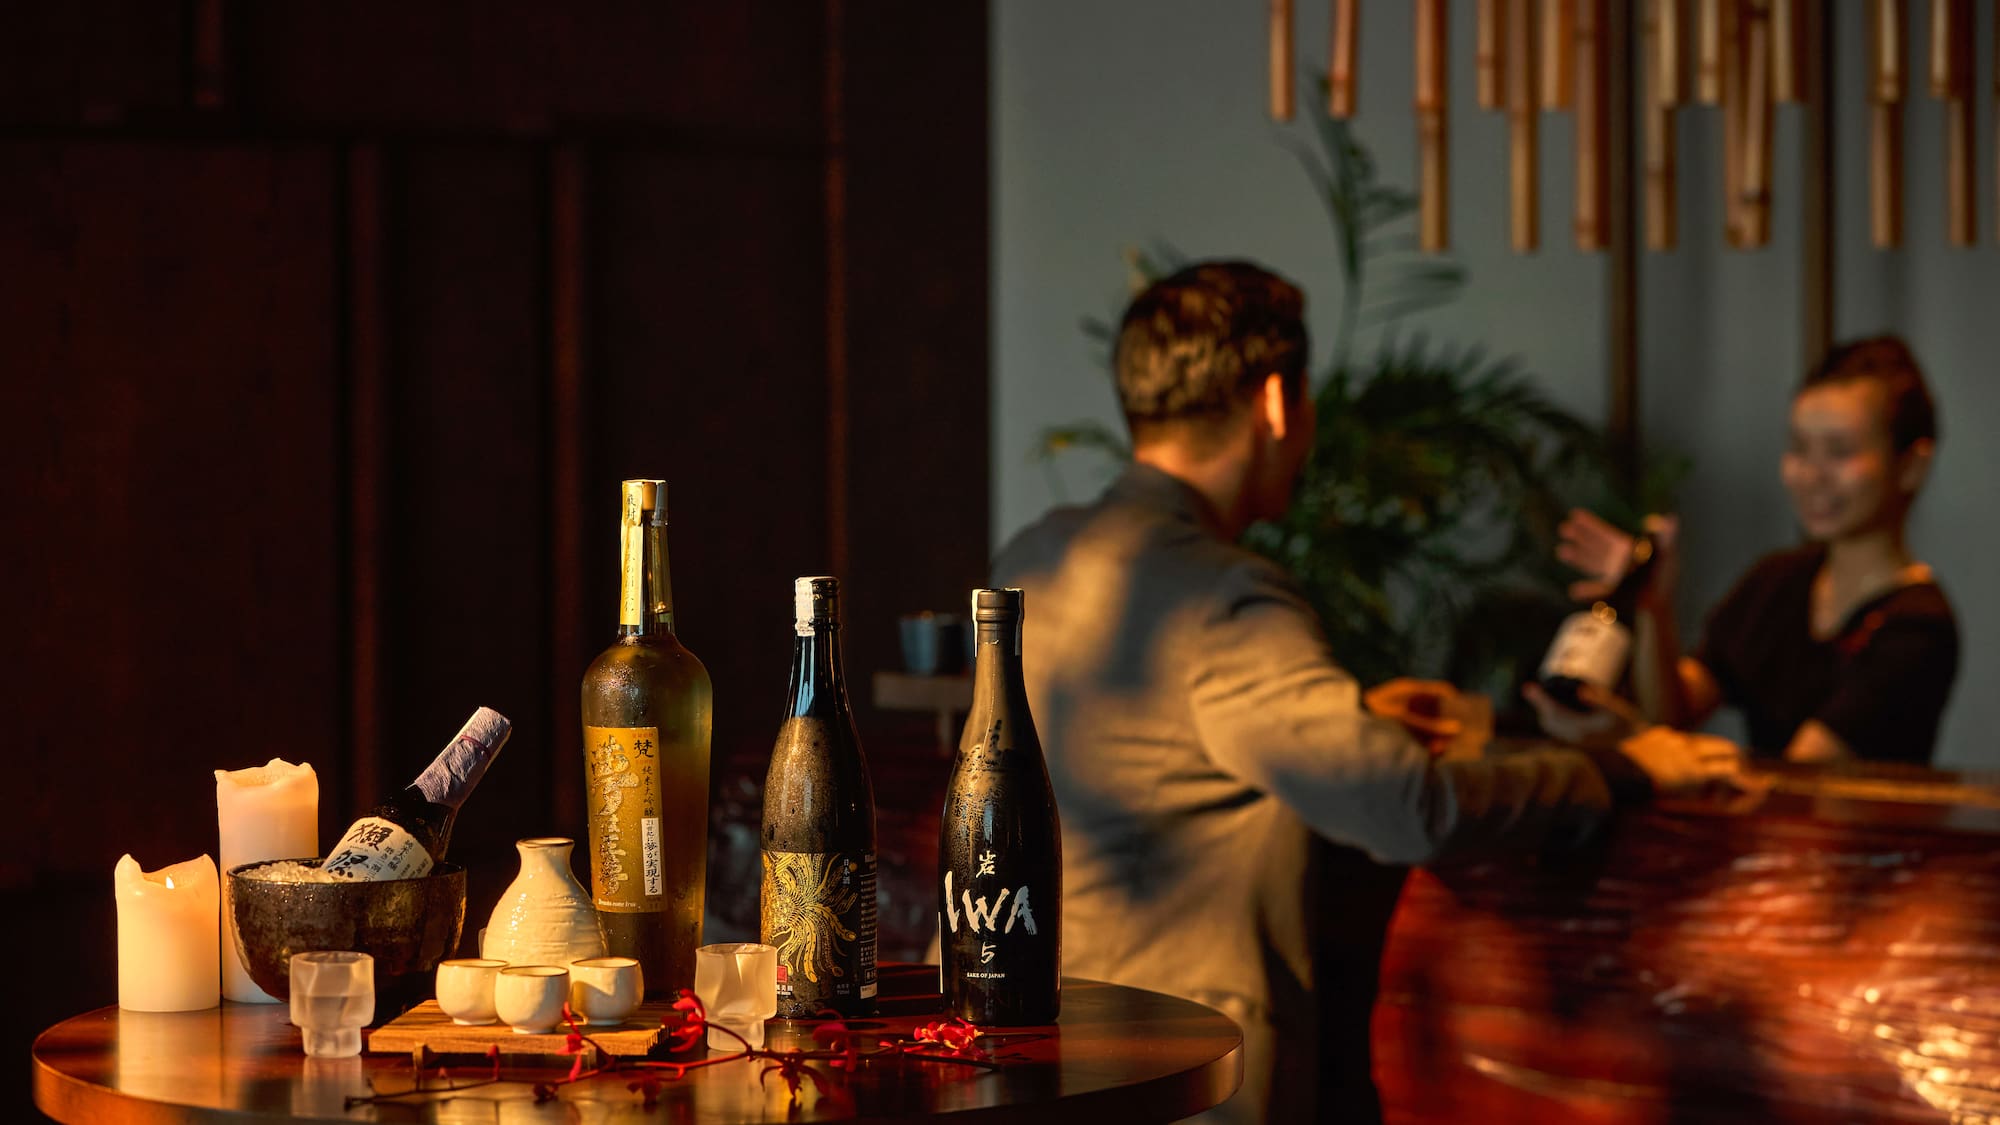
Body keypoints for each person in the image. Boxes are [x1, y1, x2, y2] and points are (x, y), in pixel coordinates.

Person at [992, 261, 1743, 1123]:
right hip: (1168, 1070)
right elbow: (1409, 809)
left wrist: (1350, 720)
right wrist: (1618, 768)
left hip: (1023, 1040)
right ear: (1277, 401)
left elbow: (1146, 746)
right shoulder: (1224, 596)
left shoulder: (1033, 556)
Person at [1527, 335, 1959, 765]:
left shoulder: (1918, 626)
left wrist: (1636, 741)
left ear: (1911, 465)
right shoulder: (1778, 580)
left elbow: (1806, 775)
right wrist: (1651, 606)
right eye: (1799, 449)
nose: (1812, 474)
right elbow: (1676, 712)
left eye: (1839, 452)